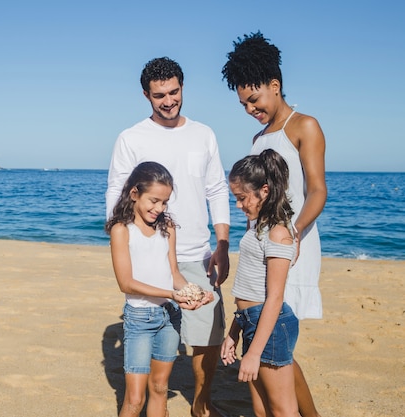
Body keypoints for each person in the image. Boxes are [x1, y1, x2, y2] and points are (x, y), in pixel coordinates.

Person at [106, 57, 230, 417]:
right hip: (152, 258)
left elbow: (217, 188)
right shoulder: (131, 138)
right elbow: (116, 191)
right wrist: (127, 243)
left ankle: (200, 404)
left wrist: (222, 245)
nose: (168, 100)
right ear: (146, 95)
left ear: (182, 88)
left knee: (207, 335)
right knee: (151, 375)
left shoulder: (204, 134)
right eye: (159, 95)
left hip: (198, 251)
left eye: (174, 92)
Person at [222, 31, 327, 417]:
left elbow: (317, 191)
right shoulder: (257, 137)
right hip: (261, 247)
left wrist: (295, 234)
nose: (250, 108)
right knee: (273, 345)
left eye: (255, 99)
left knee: (278, 343)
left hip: (292, 245)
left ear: (275, 85)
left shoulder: (305, 126)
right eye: (243, 103)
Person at [105, 161, 213, 417]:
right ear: (134, 193)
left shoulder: (167, 228)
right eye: (153, 200)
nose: (159, 208)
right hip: (139, 319)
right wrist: (170, 294)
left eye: (164, 202)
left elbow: (174, 274)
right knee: (134, 400)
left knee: (160, 387)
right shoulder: (122, 230)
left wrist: (193, 292)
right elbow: (126, 283)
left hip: (169, 317)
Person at [221, 149, 300, 417]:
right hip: (251, 319)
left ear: (264, 191)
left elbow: (274, 297)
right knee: (260, 407)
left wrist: (253, 354)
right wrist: (235, 329)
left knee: (282, 410)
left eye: (242, 198)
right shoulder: (258, 227)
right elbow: (248, 285)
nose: (238, 205)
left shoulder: (278, 233)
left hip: (271, 324)